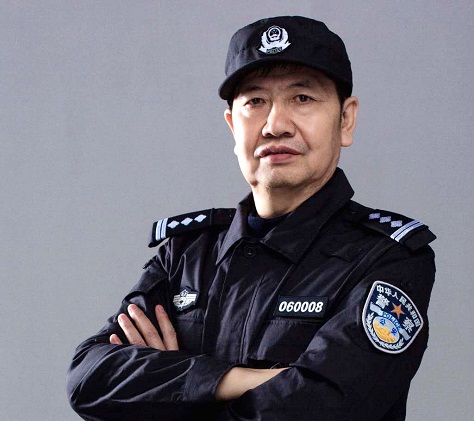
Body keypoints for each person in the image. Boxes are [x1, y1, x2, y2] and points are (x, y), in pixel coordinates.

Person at [67, 16, 436, 420]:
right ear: (232, 124)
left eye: (302, 98)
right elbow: (88, 379)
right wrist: (236, 380)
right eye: (255, 101)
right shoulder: (186, 254)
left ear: (345, 120)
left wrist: (168, 394)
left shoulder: (389, 258)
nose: (275, 126)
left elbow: (322, 409)